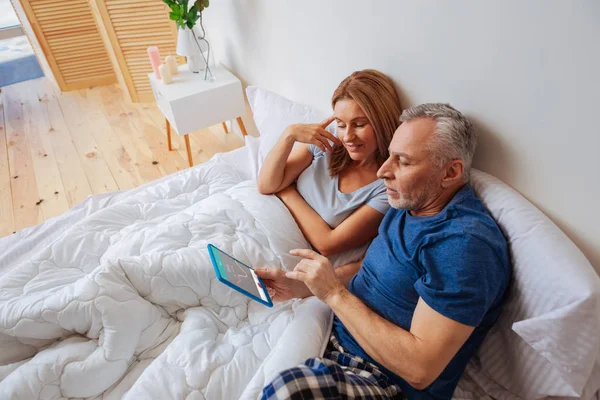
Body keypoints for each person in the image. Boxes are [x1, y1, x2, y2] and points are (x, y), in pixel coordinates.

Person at [255, 103, 512, 400]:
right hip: (334, 336)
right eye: (389, 155)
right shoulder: (409, 204)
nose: (382, 171)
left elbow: (420, 369)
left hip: (380, 379)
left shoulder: (464, 246)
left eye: (402, 161)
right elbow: (368, 267)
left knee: (290, 390)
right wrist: (303, 286)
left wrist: (332, 294)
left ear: (450, 172)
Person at [257, 69, 403, 258]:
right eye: (341, 124)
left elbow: (328, 244)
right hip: (261, 222)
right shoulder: (329, 139)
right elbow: (266, 184)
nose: (348, 137)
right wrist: (289, 135)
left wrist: (286, 191)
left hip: (287, 252)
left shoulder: (387, 187)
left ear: (382, 122)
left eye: (359, 124)